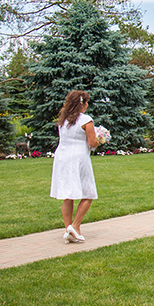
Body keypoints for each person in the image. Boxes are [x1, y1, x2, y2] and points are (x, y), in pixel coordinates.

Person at [50, 90, 99, 243]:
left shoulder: (63, 120)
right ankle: (75, 225)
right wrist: (100, 140)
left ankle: (69, 230)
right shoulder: (86, 120)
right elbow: (92, 143)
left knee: (68, 195)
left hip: (62, 157)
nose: (87, 105)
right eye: (86, 102)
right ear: (82, 104)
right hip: (79, 158)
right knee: (88, 193)